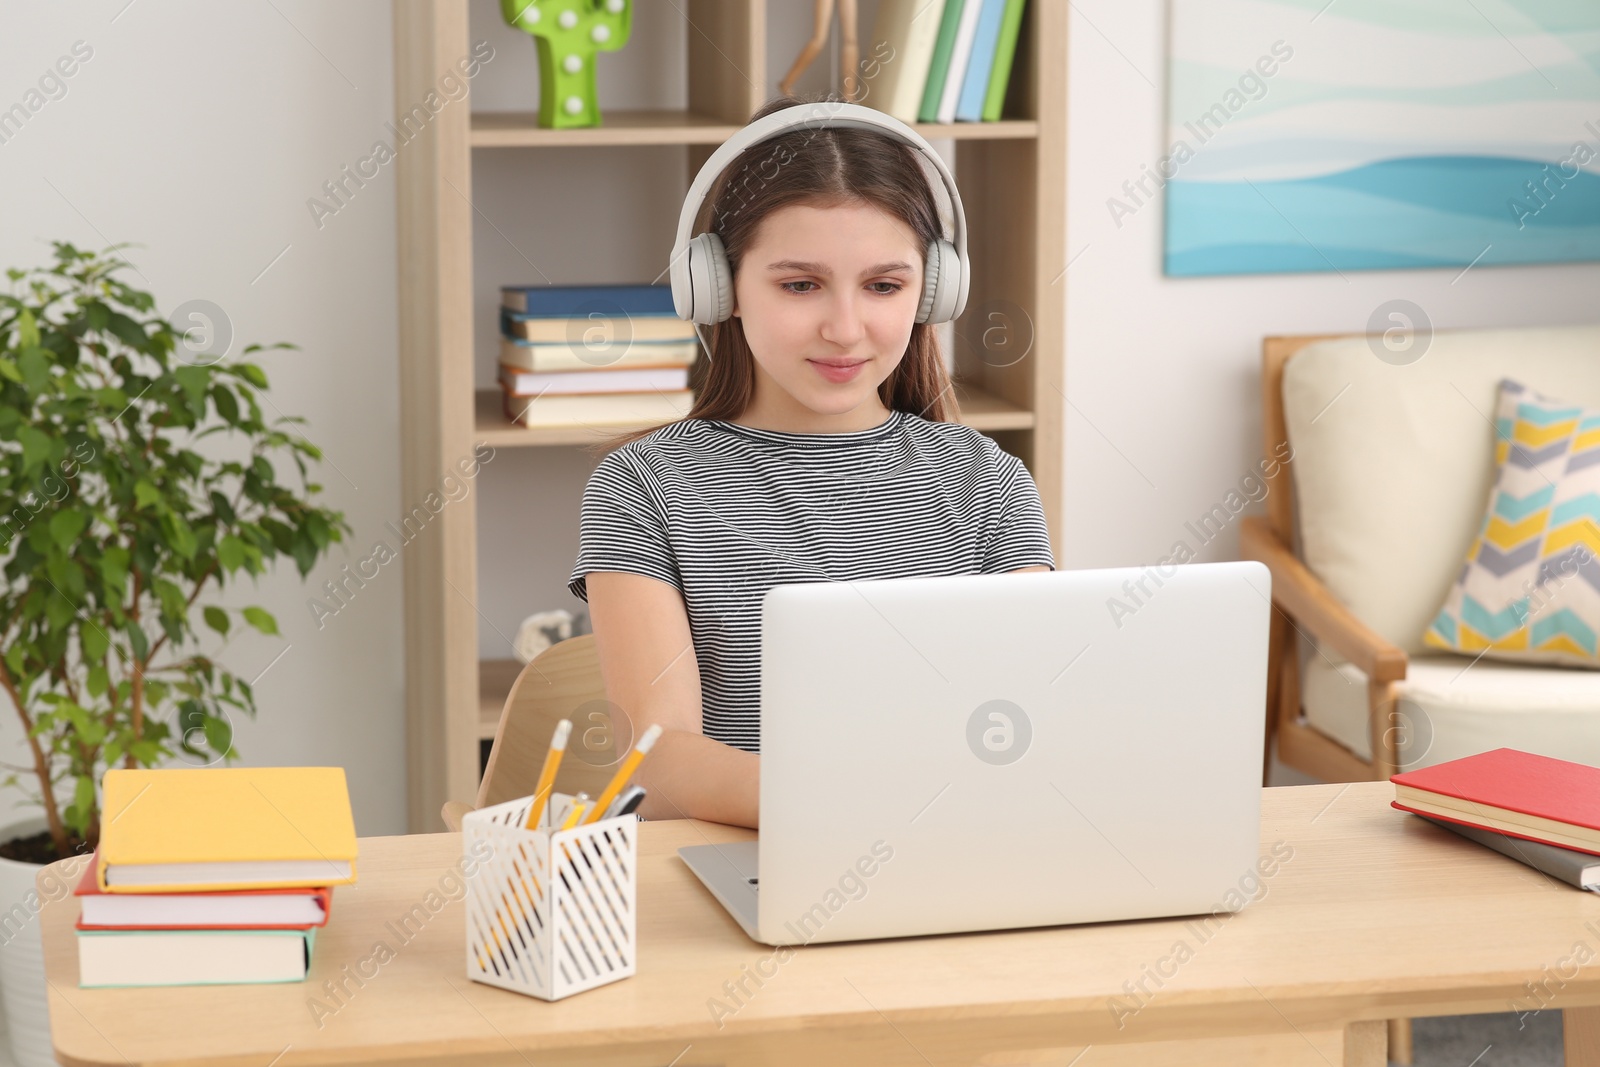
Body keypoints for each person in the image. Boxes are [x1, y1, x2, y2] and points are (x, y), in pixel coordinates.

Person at [566, 95, 1055, 829]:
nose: (846, 328)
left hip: (957, 854)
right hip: (747, 868)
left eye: (884, 285)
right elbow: (661, 765)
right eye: (800, 285)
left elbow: (1027, 728)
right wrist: (855, 805)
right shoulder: (644, 488)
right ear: (719, 287)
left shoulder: (989, 483)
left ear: (932, 291)